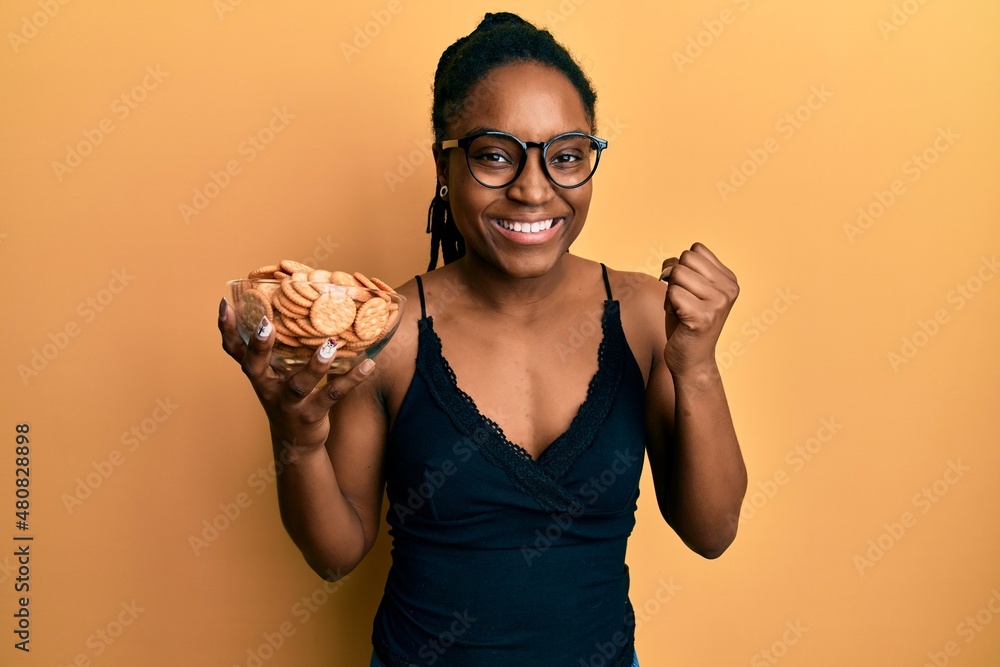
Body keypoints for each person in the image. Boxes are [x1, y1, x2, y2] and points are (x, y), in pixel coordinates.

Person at [219, 12, 747, 667]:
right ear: (446, 164)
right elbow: (335, 552)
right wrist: (296, 439)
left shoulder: (645, 316)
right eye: (496, 154)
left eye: (567, 155)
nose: (533, 188)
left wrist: (696, 365)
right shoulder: (392, 332)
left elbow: (712, 529)